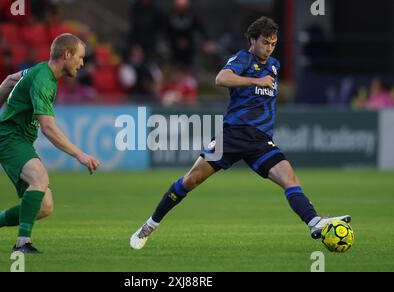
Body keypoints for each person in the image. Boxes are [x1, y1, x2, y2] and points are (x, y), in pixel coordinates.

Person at [130, 17, 350, 250]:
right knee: (191, 180)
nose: (269, 48)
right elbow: (220, 79)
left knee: (290, 180)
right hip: (232, 135)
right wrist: (255, 80)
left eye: (273, 44)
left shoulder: (274, 64)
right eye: (265, 42)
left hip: (260, 140)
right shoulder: (243, 58)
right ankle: (150, 225)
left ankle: (315, 223)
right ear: (252, 40)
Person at [0, 33, 100, 254]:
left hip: (20, 139)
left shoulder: (40, 71)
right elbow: (47, 127)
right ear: (67, 54)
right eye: (80, 57)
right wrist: (80, 155)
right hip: (9, 138)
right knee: (40, 178)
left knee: (44, 207)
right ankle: (22, 244)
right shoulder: (43, 81)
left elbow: (10, 79)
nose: (82, 63)